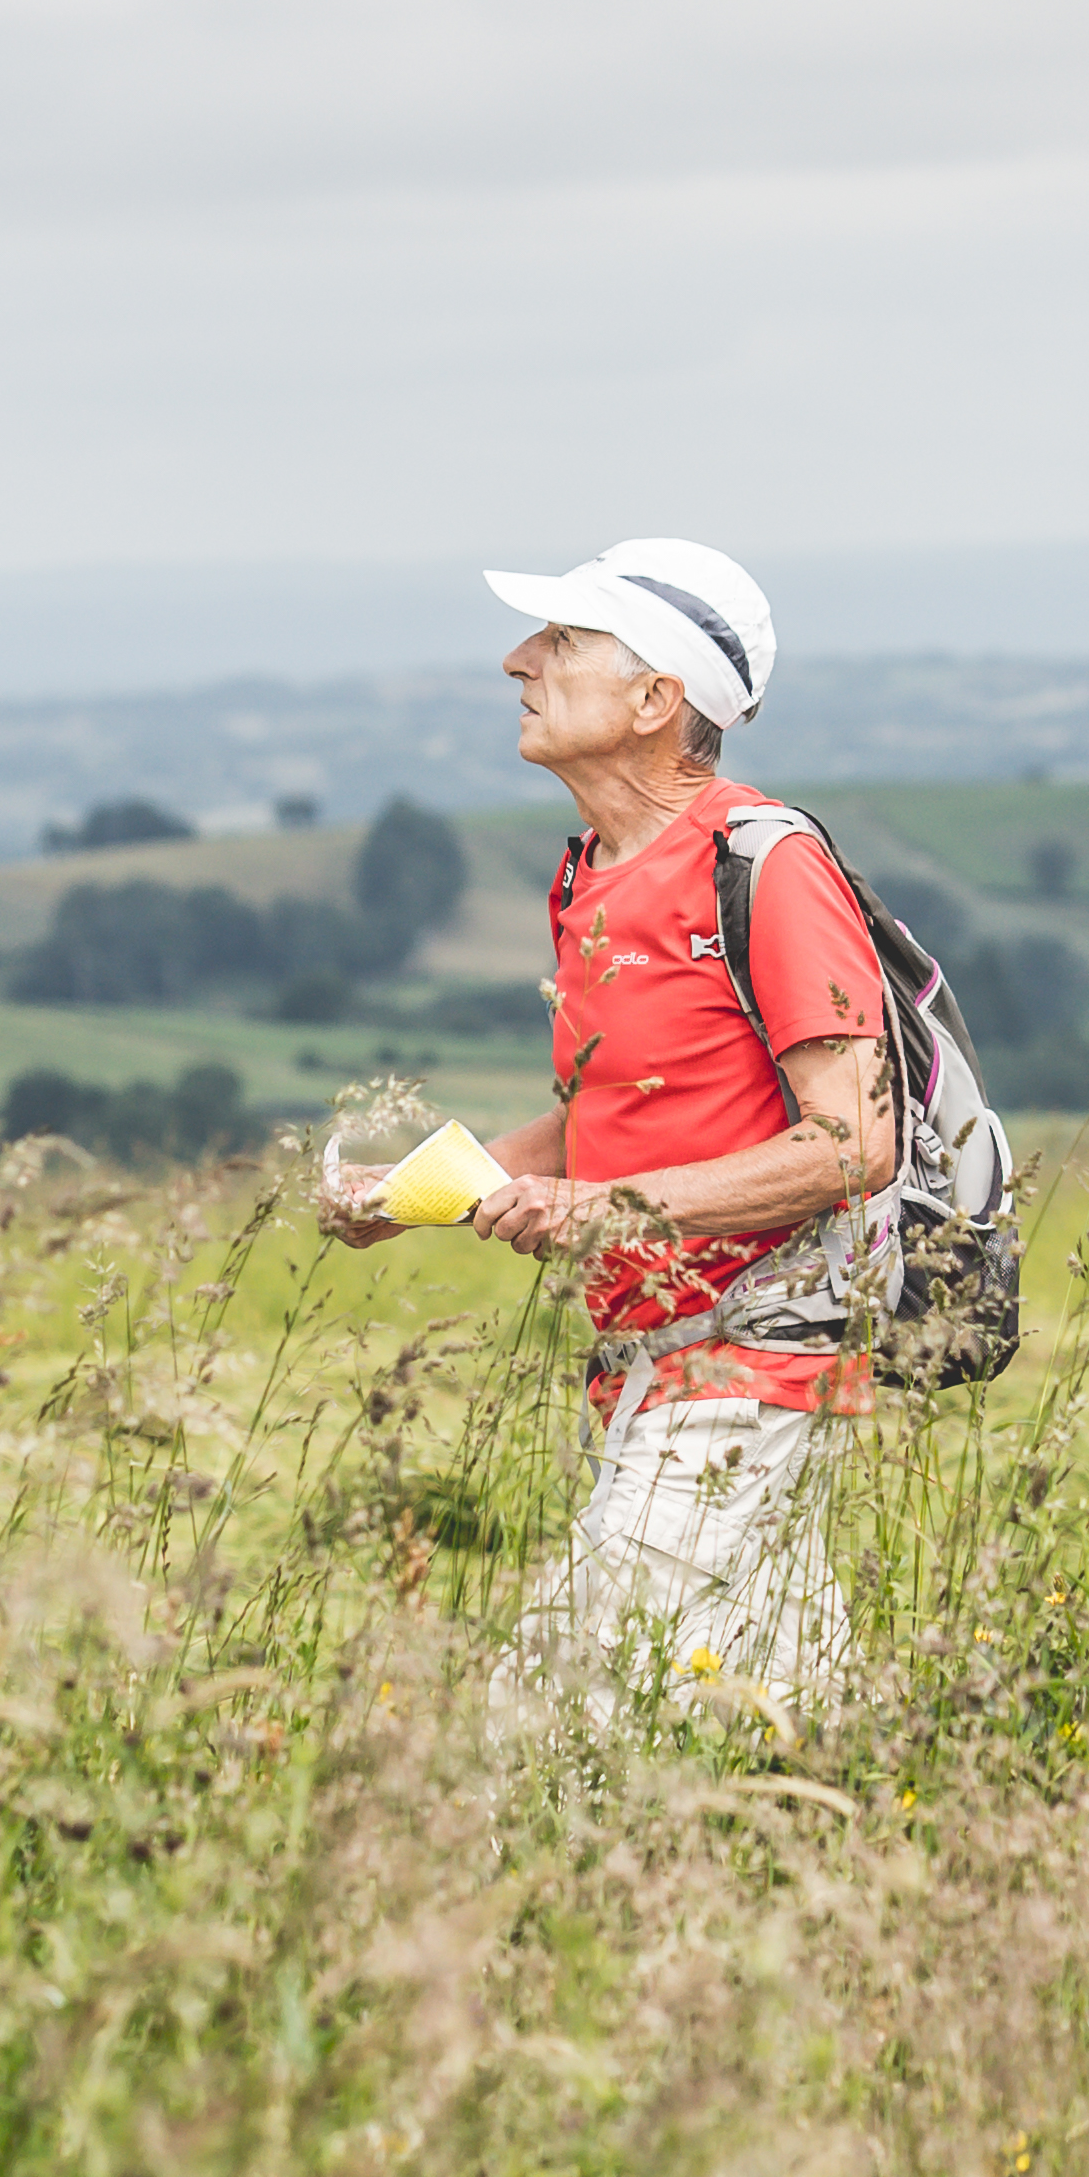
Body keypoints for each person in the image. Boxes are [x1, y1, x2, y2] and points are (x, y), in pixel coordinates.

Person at [319, 533, 892, 1729]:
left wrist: (607, 1211)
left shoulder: (766, 865)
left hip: (750, 1366)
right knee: (780, 1737)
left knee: (543, 1718)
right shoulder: (589, 873)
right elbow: (608, 1121)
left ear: (654, 701)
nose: (518, 660)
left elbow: (853, 1146)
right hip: (644, 1370)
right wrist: (414, 1191)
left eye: (561, 641)